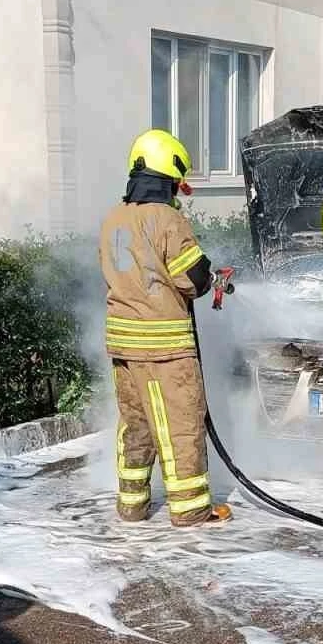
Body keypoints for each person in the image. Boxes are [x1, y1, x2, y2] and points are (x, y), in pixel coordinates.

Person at [99, 129, 232, 527]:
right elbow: (191, 279)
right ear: (169, 176)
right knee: (180, 426)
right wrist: (209, 277)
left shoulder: (112, 220)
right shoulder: (168, 220)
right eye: (178, 183)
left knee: (136, 425)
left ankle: (132, 506)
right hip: (165, 349)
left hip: (123, 346)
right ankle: (191, 510)